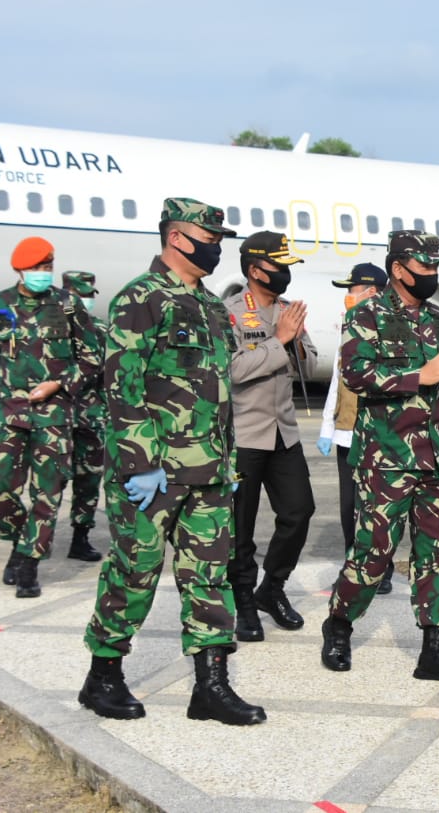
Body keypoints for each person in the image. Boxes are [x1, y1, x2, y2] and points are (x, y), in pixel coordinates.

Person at [79, 197, 266, 726]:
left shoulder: (209, 306)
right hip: (153, 473)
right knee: (134, 571)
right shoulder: (140, 299)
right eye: (210, 238)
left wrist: (226, 465)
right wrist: (141, 463)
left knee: (208, 575)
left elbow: (217, 391)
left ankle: (210, 687)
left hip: (208, 469)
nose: (217, 247)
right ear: (178, 238)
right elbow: (122, 387)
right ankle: (103, 676)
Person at [320, 231, 439, 686]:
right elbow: (355, 374)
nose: (431, 276)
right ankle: (339, 624)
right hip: (388, 459)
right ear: (398, 269)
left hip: (437, 459)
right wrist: (420, 374)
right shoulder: (367, 315)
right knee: (374, 554)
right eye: (424, 268)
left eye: (435, 268)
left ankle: (435, 649)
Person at [0, 238, 102, 597]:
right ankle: (19, 541)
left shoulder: (67, 304)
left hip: (54, 414)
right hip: (9, 415)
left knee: (47, 492)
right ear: (20, 270)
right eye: (37, 269)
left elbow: (91, 359)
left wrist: (58, 385)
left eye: (48, 268)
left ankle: (29, 562)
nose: (43, 274)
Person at [225, 231, 318, 642]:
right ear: (254, 270)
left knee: (299, 512)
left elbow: (310, 368)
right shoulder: (228, 313)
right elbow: (232, 372)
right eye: (278, 267)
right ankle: (243, 600)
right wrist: (278, 340)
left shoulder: (288, 312)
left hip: (284, 433)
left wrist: (296, 341)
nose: (285, 274)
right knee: (239, 528)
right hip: (244, 435)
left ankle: (272, 588)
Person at [316, 262, 395, 592]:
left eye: (352, 290)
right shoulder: (350, 325)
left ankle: (381, 569)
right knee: (349, 505)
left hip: (377, 434)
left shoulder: (391, 327)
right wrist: (325, 426)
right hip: (346, 431)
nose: (348, 296)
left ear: (371, 292)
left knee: (377, 506)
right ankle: (353, 565)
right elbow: (338, 378)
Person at [60, 270, 107, 563]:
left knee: (88, 480)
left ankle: (80, 537)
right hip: (56, 418)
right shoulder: (51, 329)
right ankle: (30, 546)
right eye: (81, 295)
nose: (86, 301)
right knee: (50, 482)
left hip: (92, 417)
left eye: (89, 296)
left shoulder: (100, 329)